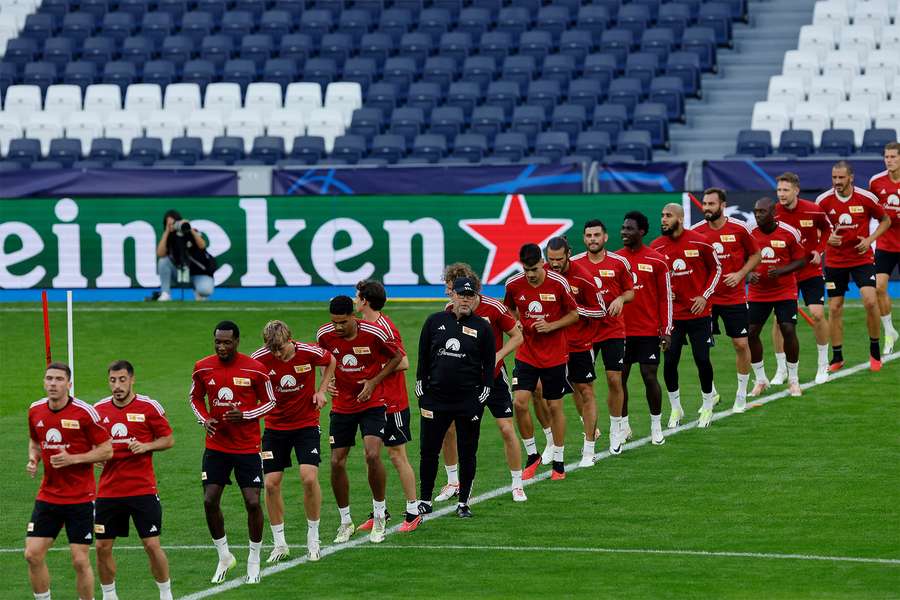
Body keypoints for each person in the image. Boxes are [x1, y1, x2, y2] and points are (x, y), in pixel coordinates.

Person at [190, 321, 277, 584]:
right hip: (216, 446)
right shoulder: (202, 367)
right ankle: (224, 555)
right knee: (209, 500)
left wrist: (246, 415)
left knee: (252, 502)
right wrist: (204, 419)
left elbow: (270, 401)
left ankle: (253, 558)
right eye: (218, 341)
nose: (221, 346)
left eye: (227, 342)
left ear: (237, 341)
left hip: (247, 446)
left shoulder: (256, 369)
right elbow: (194, 398)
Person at [434, 263, 526, 503]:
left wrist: (497, 355)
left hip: (493, 379)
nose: (449, 293)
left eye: (450, 287)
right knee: (449, 430)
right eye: (451, 290)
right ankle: (453, 482)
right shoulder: (449, 310)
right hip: (464, 383)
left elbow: (517, 337)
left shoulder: (494, 308)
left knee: (506, 429)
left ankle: (517, 484)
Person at [316, 296, 404, 544]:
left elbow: (397, 357)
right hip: (343, 405)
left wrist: (374, 381)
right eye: (334, 323)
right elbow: (322, 359)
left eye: (342, 322)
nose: (338, 328)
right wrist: (327, 382)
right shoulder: (325, 334)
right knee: (336, 461)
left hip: (372, 402)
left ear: (353, 317)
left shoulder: (374, 333)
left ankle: (379, 516)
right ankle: (345, 521)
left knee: (372, 455)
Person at [250, 320, 336, 563]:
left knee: (309, 478)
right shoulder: (259, 358)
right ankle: (279, 543)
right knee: (271, 484)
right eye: (272, 350)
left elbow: (330, 360)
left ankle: (313, 537)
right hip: (275, 427)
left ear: (291, 339)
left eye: (281, 349)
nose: (277, 354)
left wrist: (322, 390)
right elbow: (247, 379)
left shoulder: (309, 352)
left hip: (306, 424)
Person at [25, 362, 113, 600]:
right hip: (48, 495)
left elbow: (106, 450)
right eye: (49, 379)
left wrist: (74, 458)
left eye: (58, 379)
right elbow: (35, 442)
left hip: (80, 498)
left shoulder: (85, 413)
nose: (53, 384)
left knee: (79, 559)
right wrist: (34, 459)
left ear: (69, 384)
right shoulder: (35, 410)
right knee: (32, 554)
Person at [94, 361, 175, 600]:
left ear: (132, 380)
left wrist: (147, 445)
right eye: (112, 380)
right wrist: (93, 457)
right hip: (108, 491)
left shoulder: (149, 407)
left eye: (121, 380)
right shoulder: (97, 410)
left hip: (142, 490)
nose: (117, 386)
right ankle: (109, 596)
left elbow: (168, 439)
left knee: (151, 545)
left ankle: (165, 594)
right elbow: (90, 443)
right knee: (101, 548)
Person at [416, 277, 496, 518]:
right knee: (428, 451)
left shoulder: (482, 327)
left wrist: (484, 393)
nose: (465, 299)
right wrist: (422, 387)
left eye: (470, 296)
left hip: (467, 401)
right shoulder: (434, 321)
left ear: (476, 299)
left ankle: (463, 503)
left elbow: (489, 364)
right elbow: (422, 358)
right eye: (461, 294)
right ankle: (425, 499)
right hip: (435, 398)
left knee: (467, 451)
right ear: (452, 295)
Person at [504, 243, 579, 480]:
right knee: (519, 403)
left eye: (535, 269)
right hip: (526, 353)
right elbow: (507, 310)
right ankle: (532, 454)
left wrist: (551, 326)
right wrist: (515, 323)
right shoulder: (514, 284)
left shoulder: (558, 283)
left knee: (555, 406)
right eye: (527, 270)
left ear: (542, 262)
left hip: (554, 355)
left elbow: (574, 314)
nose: (531, 275)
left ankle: (558, 459)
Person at [353, 280, 422, 532]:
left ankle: (413, 511)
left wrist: (374, 376)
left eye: (356, 295)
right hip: (372, 403)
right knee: (371, 457)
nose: (354, 299)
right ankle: (379, 511)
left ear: (365, 301)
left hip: (392, 402)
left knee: (396, 455)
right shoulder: (360, 326)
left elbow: (403, 362)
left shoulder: (385, 328)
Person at [651, 203, 723, 428]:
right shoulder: (656, 247)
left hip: (699, 313)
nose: (663, 219)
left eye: (668, 216)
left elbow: (717, 269)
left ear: (680, 219)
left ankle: (707, 405)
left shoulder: (700, 241)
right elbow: (653, 280)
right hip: (673, 317)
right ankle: (676, 408)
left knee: (702, 359)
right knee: (670, 362)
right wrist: (663, 293)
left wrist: (704, 296)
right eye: (662, 215)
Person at [816, 161, 891, 371]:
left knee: (870, 301)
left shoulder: (866, 198)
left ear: (851, 177)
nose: (837, 182)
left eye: (841, 177)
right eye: (834, 178)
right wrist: (827, 239)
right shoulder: (823, 201)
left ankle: (875, 351)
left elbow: (885, 220)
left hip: (861, 258)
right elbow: (815, 230)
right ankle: (837, 357)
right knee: (834, 307)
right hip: (834, 261)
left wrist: (869, 240)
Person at [692, 188, 761, 412]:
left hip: (734, 297)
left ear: (722, 205)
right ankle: (710, 393)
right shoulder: (696, 233)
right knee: (701, 349)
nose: (706, 208)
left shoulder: (740, 228)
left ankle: (741, 396)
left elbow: (756, 255)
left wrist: (741, 274)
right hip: (707, 299)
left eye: (711, 204)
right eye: (704, 204)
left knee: (741, 344)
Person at [571, 219, 634, 454]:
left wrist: (620, 299)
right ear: (584, 238)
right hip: (584, 332)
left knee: (614, 380)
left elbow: (630, 291)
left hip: (612, 329)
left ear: (605, 237)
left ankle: (617, 429)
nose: (592, 239)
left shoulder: (619, 262)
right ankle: (588, 425)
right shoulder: (575, 264)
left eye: (597, 235)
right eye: (588, 236)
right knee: (580, 384)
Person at [545, 236, 608, 467]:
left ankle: (589, 449)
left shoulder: (583, 277)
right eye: (550, 259)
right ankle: (551, 444)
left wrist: (574, 310)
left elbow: (601, 311)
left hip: (578, 345)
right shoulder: (544, 273)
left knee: (585, 391)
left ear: (569, 254)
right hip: (551, 345)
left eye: (558, 259)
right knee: (546, 394)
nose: (554, 264)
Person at [773, 172, 833, 385]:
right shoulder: (773, 213)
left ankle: (822, 364)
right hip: (785, 275)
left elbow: (827, 229)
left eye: (785, 190)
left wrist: (819, 250)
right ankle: (781, 370)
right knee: (780, 322)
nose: (781, 194)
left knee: (817, 314)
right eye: (779, 190)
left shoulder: (813, 209)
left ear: (796, 191)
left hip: (810, 271)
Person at [619, 212, 673, 443]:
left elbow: (665, 298)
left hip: (648, 331)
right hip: (620, 332)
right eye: (623, 228)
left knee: (649, 376)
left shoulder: (657, 260)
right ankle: (623, 426)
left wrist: (666, 330)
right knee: (618, 379)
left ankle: (656, 426)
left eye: (629, 228)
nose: (624, 232)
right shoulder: (616, 260)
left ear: (641, 232)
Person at [746, 198, 808, 399]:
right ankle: (761, 379)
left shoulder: (790, 233)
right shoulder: (749, 233)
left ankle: (793, 380)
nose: (757, 215)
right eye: (755, 212)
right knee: (751, 333)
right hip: (758, 292)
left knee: (788, 329)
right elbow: (739, 261)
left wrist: (781, 271)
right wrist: (747, 275)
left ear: (774, 213)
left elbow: (802, 260)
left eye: (762, 212)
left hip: (784, 291)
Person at [868, 142, 900, 355]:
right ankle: (890, 332)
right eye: (886, 157)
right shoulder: (876, 182)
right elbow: (870, 210)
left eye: (893, 157)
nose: (889, 160)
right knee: (879, 287)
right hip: (886, 243)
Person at [156, 209, 215, 302]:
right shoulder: (169, 237)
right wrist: (167, 232)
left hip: (197, 273)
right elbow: (160, 253)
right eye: (169, 224)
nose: (172, 226)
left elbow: (203, 245)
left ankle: (198, 292)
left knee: (205, 290)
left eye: (174, 223)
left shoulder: (191, 232)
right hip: (180, 273)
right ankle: (165, 293)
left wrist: (189, 228)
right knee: (163, 261)